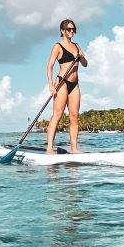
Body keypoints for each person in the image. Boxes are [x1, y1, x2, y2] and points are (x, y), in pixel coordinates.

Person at [45, 18, 88, 154]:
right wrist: (51, 85)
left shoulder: (77, 46)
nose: (72, 31)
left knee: (74, 117)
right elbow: (49, 66)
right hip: (62, 83)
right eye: (69, 29)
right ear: (62, 31)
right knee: (57, 114)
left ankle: (74, 148)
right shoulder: (57, 46)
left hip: (75, 85)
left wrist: (81, 57)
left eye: (73, 29)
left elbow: (85, 64)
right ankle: (50, 147)